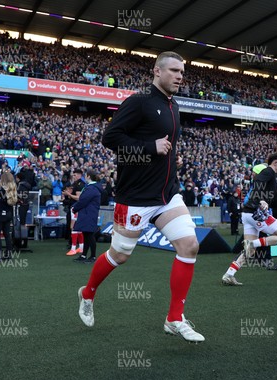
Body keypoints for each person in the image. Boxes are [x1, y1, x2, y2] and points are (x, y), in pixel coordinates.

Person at [77, 51, 204, 343]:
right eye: (173, 70)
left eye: (182, 72)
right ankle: (87, 292)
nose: (179, 76)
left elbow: (165, 146)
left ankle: (174, 318)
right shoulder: (139, 102)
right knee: (120, 255)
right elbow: (110, 138)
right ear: (157, 72)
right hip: (134, 197)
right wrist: (150, 147)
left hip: (167, 195)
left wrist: (174, 160)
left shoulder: (175, 107)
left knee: (189, 245)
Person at [221, 152, 277, 285]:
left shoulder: (272, 176)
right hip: (257, 214)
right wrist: (261, 200)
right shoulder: (269, 171)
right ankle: (254, 243)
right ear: (275, 162)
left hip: (247, 215)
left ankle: (229, 274)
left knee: (249, 251)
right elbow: (258, 182)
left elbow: (272, 197)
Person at [72, 169, 103, 264]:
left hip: (88, 214)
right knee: (87, 235)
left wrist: (75, 208)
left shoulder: (91, 188)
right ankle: (84, 255)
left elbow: (83, 200)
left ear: (89, 176)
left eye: (86, 175)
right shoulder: (93, 187)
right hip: (89, 213)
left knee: (89, 235)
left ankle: (93, 256)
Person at [0, 171, 17, 262]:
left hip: (0, 213)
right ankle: (9, 254)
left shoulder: (1, 189)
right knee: (7, 235)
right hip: (8, 213)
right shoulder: (13, 188)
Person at [63, 168, 86, 256]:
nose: (74, 176)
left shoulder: (80, 184)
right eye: (73, 174)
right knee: (75, 227)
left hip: (77, 207)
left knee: (74, 226)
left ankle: (73, 247)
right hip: (74, 206)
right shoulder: (76, 183)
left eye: (75, 174)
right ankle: (80, 246)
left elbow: (78, 198)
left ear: (80, 175)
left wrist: (68, 194)